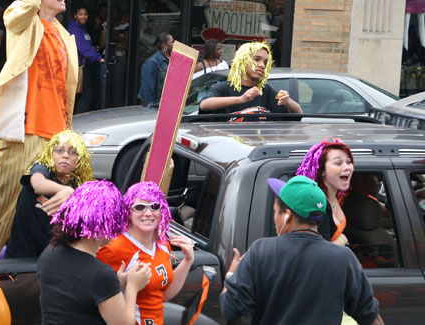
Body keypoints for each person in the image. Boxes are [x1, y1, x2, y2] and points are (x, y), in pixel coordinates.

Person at [0, 0, 79, 260]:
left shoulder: (65, 36)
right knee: (3, 212)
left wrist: (68, 138)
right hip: (23, 134)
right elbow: (26, 4)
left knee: (51, 217)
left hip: (56, 139)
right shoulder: (22, 20)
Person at [220, 176, 384, 325]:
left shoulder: (260, 251)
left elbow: (230, 310)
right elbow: (370, 316)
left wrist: (232, 274)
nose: (275, 218)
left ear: (287, 216)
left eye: (276, 212)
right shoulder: (343, 258)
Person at [37, 179, 152, 325]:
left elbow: (76, 299)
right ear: (102, 224)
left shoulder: (50, 252)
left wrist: (116, 286)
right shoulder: (101, 275)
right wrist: (132, 287)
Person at [97, 182, 195, 325]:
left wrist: (187, 261)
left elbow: (162, 296)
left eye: (155, 206)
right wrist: (123, 284)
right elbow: (97, 298)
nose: (148, 213)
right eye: (140, 207)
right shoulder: (114, 248)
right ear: (127, 212)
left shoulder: (162, 244)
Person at [4, 130, 94, 259]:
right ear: (50, 154)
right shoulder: (41, 168)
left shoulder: (80, 186)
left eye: (73, 152)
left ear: (80, 159)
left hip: (56, 259)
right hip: (22, 257)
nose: (65, 155)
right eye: (59, 150)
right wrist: (65, 191)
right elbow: (38, 184)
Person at [199, 41, 302, 115]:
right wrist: (241, 99)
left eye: (266, 62)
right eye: (256, 59)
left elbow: (298, 113)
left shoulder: (266, 90)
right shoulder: (223, 87)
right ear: (242, 61)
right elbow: (204, 105)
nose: (262, 65)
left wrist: (287, 101)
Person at [295, 137, 355, 244]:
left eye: (349, 162)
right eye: (338, 163)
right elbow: (321, 251)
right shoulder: (317, 205)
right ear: (322, 170)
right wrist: (342, 239)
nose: (347, 167)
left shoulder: (335, 195)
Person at [68, 3, 104, 114]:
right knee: (86, 97)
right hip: (80, 67)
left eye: (85, 14)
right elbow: (83, 49)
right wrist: (99, 58)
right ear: (75, 15)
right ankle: (78, 122)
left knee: (82, 96)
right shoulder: (74, 29)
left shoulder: (80, 28)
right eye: (80, 14)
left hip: (85, 65)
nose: (83, 17)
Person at [138, 33, 174, 108]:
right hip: (155, 106)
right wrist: (151, 106)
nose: (174, 44)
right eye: (172, 42)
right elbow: (148, 88)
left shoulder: (172, 60)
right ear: (164, 45)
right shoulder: (152, 62)